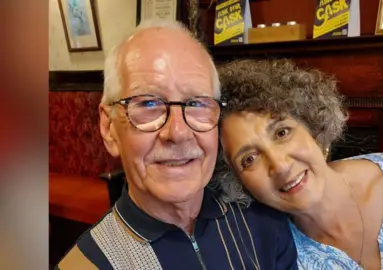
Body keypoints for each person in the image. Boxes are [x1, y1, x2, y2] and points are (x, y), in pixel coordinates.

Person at [55, 20, 298, 270]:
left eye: (197, 104)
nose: (178, 133)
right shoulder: (86, 265)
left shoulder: (264, 223)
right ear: (109, 128)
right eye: (148, 104)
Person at [215, 59, 383, 270]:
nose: (280, 165)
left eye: (282, 133)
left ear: (313, 128)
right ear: (236, 181)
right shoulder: (272, 253)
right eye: (249, 159)